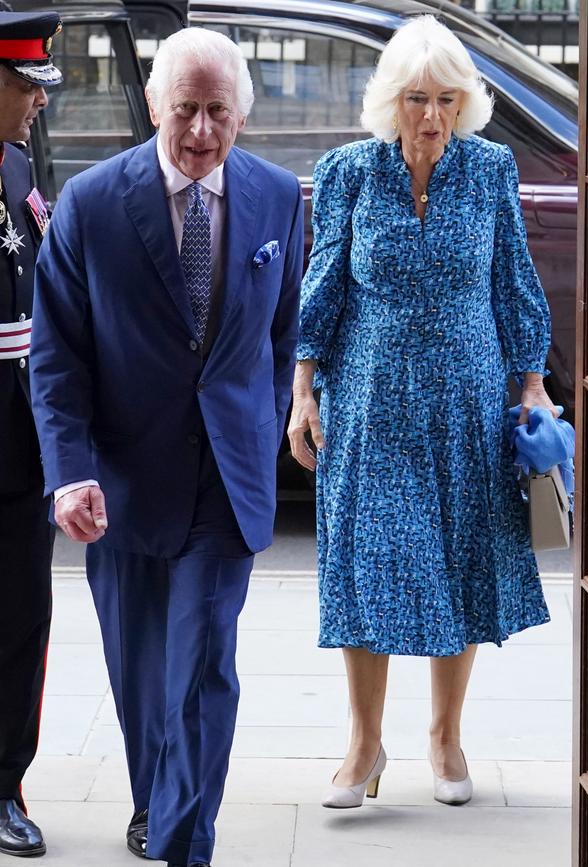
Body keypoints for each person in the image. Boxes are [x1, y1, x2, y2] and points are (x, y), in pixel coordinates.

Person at [29, 27, 303, 867]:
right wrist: (69, 473)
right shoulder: (90, 203)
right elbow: (56, 355)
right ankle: (158, 800)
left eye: (218, 112)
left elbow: (280, 335)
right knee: (144, 672)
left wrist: (264, 423)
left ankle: (185, 840)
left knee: (202, 667)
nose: (199, 132)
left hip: (228, 479)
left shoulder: (280, 198)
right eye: (184, 110)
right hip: (123, 482)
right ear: (153, 104)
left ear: (243, 116)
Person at [288, 15, 557, 810]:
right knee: (367, 566)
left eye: (446, 98)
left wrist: (532, 385)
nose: (431, 116)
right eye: (415, 98)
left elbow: (513, 281)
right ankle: (364, 744)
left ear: (465, 103)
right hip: (370, 401)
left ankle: (445, 734)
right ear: (390, 102)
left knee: (463, 559)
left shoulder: (491, 170)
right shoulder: (348, 172)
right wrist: (303, 391)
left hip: (466, 401)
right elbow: (324, 286)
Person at [0, 10, 62, 858]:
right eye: (24, 87)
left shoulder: (18, 167)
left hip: (19, 438)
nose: (38, 105)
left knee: (21, 617)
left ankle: (6, 780)